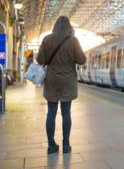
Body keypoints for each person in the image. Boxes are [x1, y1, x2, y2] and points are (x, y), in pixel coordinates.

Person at [36, 16, 86, 154]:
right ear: (69, 26)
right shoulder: (73, 40)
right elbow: (82, 60)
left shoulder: (47, 39)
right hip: (67, 80)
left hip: (51, 80)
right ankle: (66, 144)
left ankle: (51, 145)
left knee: (51, 112)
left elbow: (40, 60)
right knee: (66, 113)